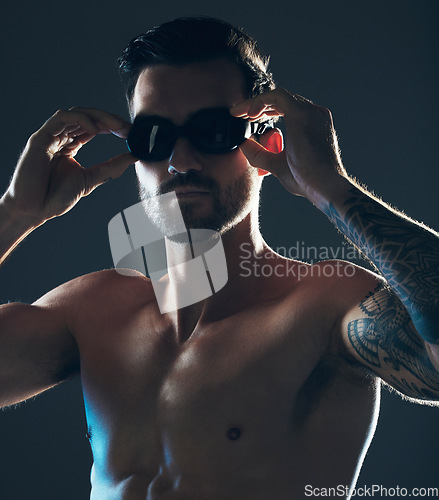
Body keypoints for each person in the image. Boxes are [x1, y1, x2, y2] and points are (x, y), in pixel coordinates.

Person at [0, 16, 438, 500]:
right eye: (156, 137)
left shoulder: (325, 309)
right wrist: (15, 214)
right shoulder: (93, 311)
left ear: (268, 143)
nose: (181, 161)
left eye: (211, 131)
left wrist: (328, 185)